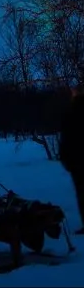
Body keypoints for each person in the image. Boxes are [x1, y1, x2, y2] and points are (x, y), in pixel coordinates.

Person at [59, 84, 84, 234]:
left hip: (77, 160)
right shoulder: (71, 112)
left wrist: (65, 158)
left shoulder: (71, 113)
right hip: (76, 159)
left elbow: (66, 138)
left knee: (82, 192)